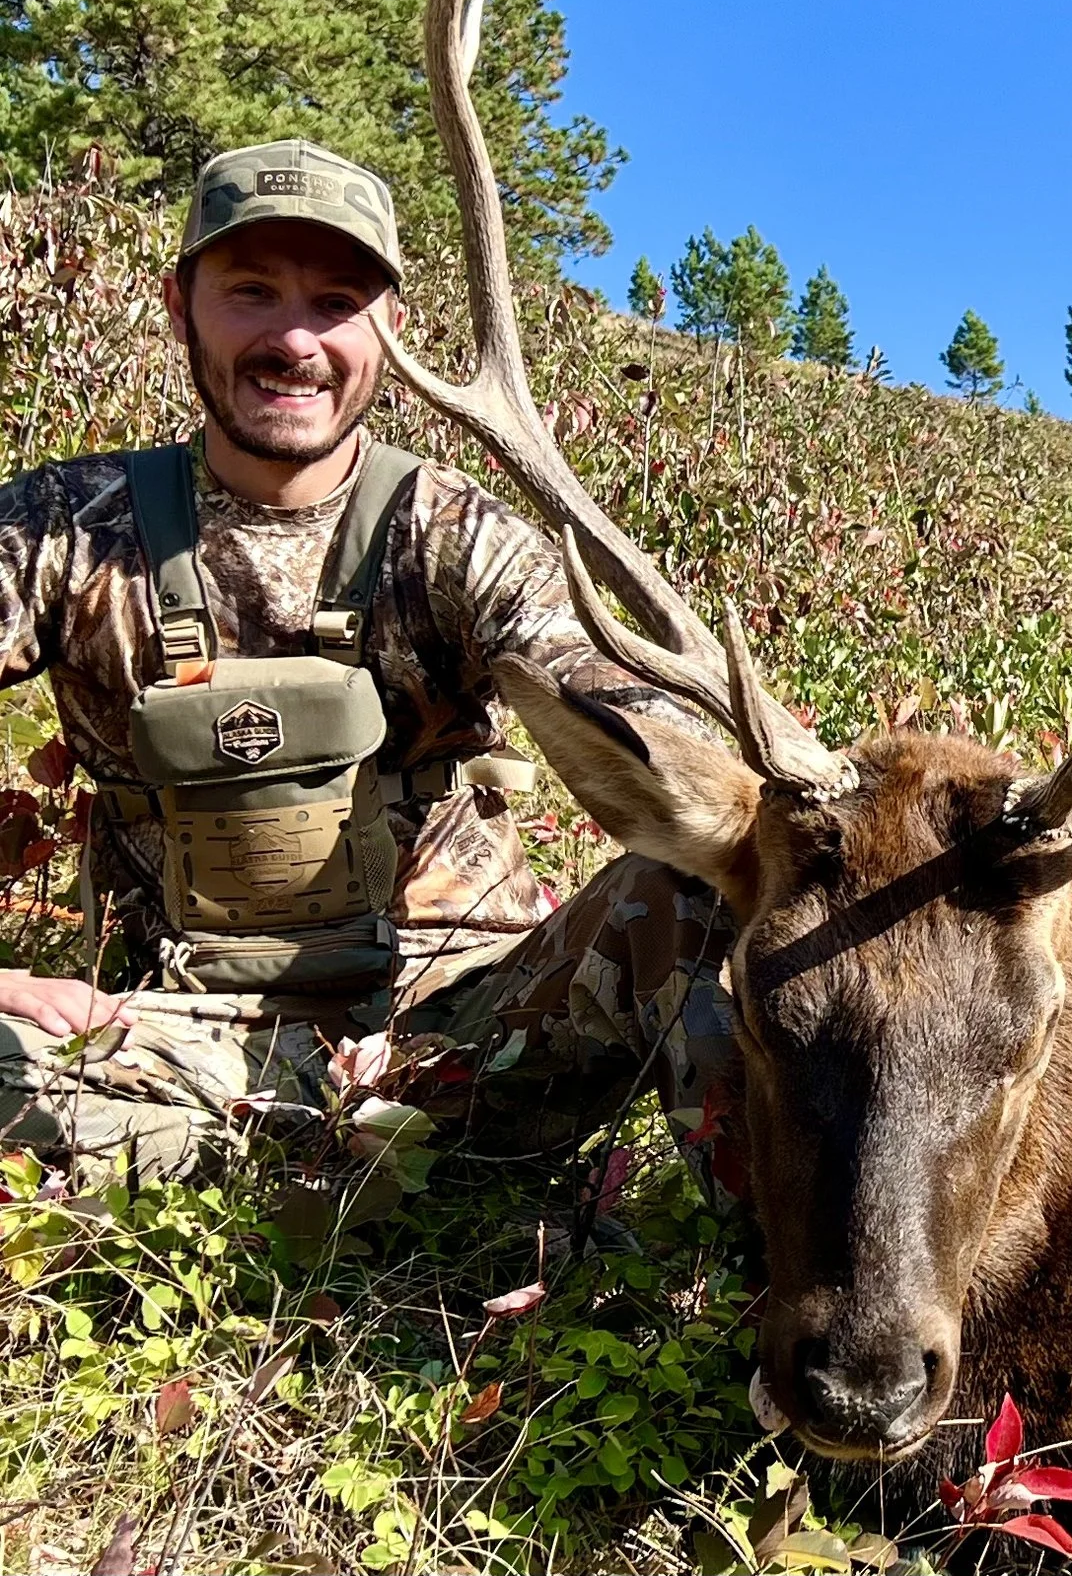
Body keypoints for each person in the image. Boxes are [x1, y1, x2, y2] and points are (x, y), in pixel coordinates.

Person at [0, 140, 745, 1200]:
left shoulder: (459, 537)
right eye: (250, 291)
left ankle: (780, 1308)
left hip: (461, 1041)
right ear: (181, 304)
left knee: (699, 884)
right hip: (179, 1040)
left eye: (336, 301)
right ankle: (289, 1167)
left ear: (390, 332)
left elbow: (623, 713)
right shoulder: (64, 527)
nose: (292, 339)